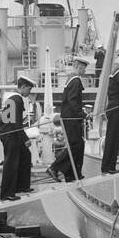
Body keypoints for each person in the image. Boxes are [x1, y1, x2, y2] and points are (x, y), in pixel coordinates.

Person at [48, 54, 89, 182]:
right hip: (70, 119)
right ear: (78, 67)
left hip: (68, 118)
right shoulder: (76, 81)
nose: (85, 71)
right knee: (75, 145)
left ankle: (71, 174)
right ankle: (54, 168)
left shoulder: (71, 80)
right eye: (83, 68)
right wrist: (83, 114)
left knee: (79, 144)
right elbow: (73, 102)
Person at [0, 76, 34, 201]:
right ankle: (7, 193)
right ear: (23, 87)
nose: (29, 92)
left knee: (25, 156)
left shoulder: (12, 98)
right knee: (11, 163)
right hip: (11, 134)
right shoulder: (17, 99)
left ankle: (22, 186)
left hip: (10, 133)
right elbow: (16, 122)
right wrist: (25, 138)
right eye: (29, 89)